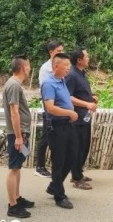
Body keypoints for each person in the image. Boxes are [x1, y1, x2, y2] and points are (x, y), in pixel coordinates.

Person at [41, 52, 78, 209]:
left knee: (72, 155)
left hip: (68, 125)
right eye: (66, 66)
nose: (68, 68)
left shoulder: (62, 81)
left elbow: (66, 100)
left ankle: (54, 185)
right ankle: (59, 196)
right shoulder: (48, 83)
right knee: (59, 161)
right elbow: (50, 108)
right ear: (56, 66)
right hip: (57, 126)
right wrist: (69, 113)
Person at [3, 55, 36, 218]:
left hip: (20, 132)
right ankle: (12, 206)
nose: (30, 68)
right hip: (17, 133)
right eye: (28, 65)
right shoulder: (14, 85)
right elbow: (14, 112)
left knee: (18, 166)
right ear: (23, 67)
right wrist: (18, 137)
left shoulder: (14, 84)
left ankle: (17, 197)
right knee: (14, 168)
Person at [66, 48, 98, 190]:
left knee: (84, 146)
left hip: (85, 117)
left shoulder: (81, 73)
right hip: (77, 118)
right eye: (86, 56)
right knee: (78, 148)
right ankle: (77, 178)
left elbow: (80, 93)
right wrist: (87, 104)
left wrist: (91, 98)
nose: (88, 58)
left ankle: (78, 173)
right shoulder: (72, 75)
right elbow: (68, 97)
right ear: (79, 60)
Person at [35, 40, 64, 178]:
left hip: (60, 108)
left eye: (62, 51)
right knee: (46, 137)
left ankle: (56, 166)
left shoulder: (62, 66)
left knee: (56, 138)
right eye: (58, 51)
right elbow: (45, 89)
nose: (61, 53)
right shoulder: (45, 69)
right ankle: (39, 166)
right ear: (51, 52)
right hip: (49, 108)